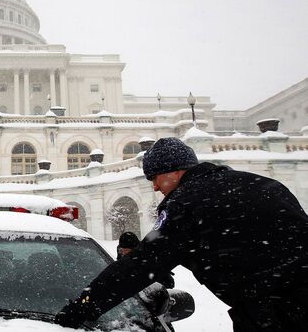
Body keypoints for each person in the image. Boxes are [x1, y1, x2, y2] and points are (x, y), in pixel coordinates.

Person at [56, 137, 308, 331]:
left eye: (154, 178)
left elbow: (139, 265)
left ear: (174, 171)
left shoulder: (186, 203)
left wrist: (83, 307)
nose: (154, 187)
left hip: (275, 314)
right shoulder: (263, 184)